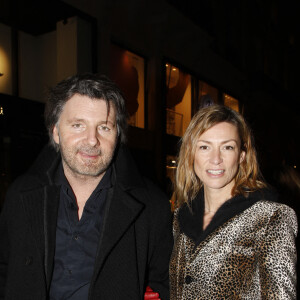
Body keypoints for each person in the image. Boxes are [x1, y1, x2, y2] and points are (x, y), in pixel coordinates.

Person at [0, 73, 173, 300]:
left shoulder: (152, 207)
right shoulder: (20, 195)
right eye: (78, 125)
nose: (92, 140)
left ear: (118, 134)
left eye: (104, 127)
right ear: (56, 132)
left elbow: (164, 283)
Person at [169, 105, 297, 299]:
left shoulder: (271, 218)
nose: (216, 159)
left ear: (242, 156)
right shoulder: (181, 216)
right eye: (204, 147)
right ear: (191, 153)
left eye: (227, 147)